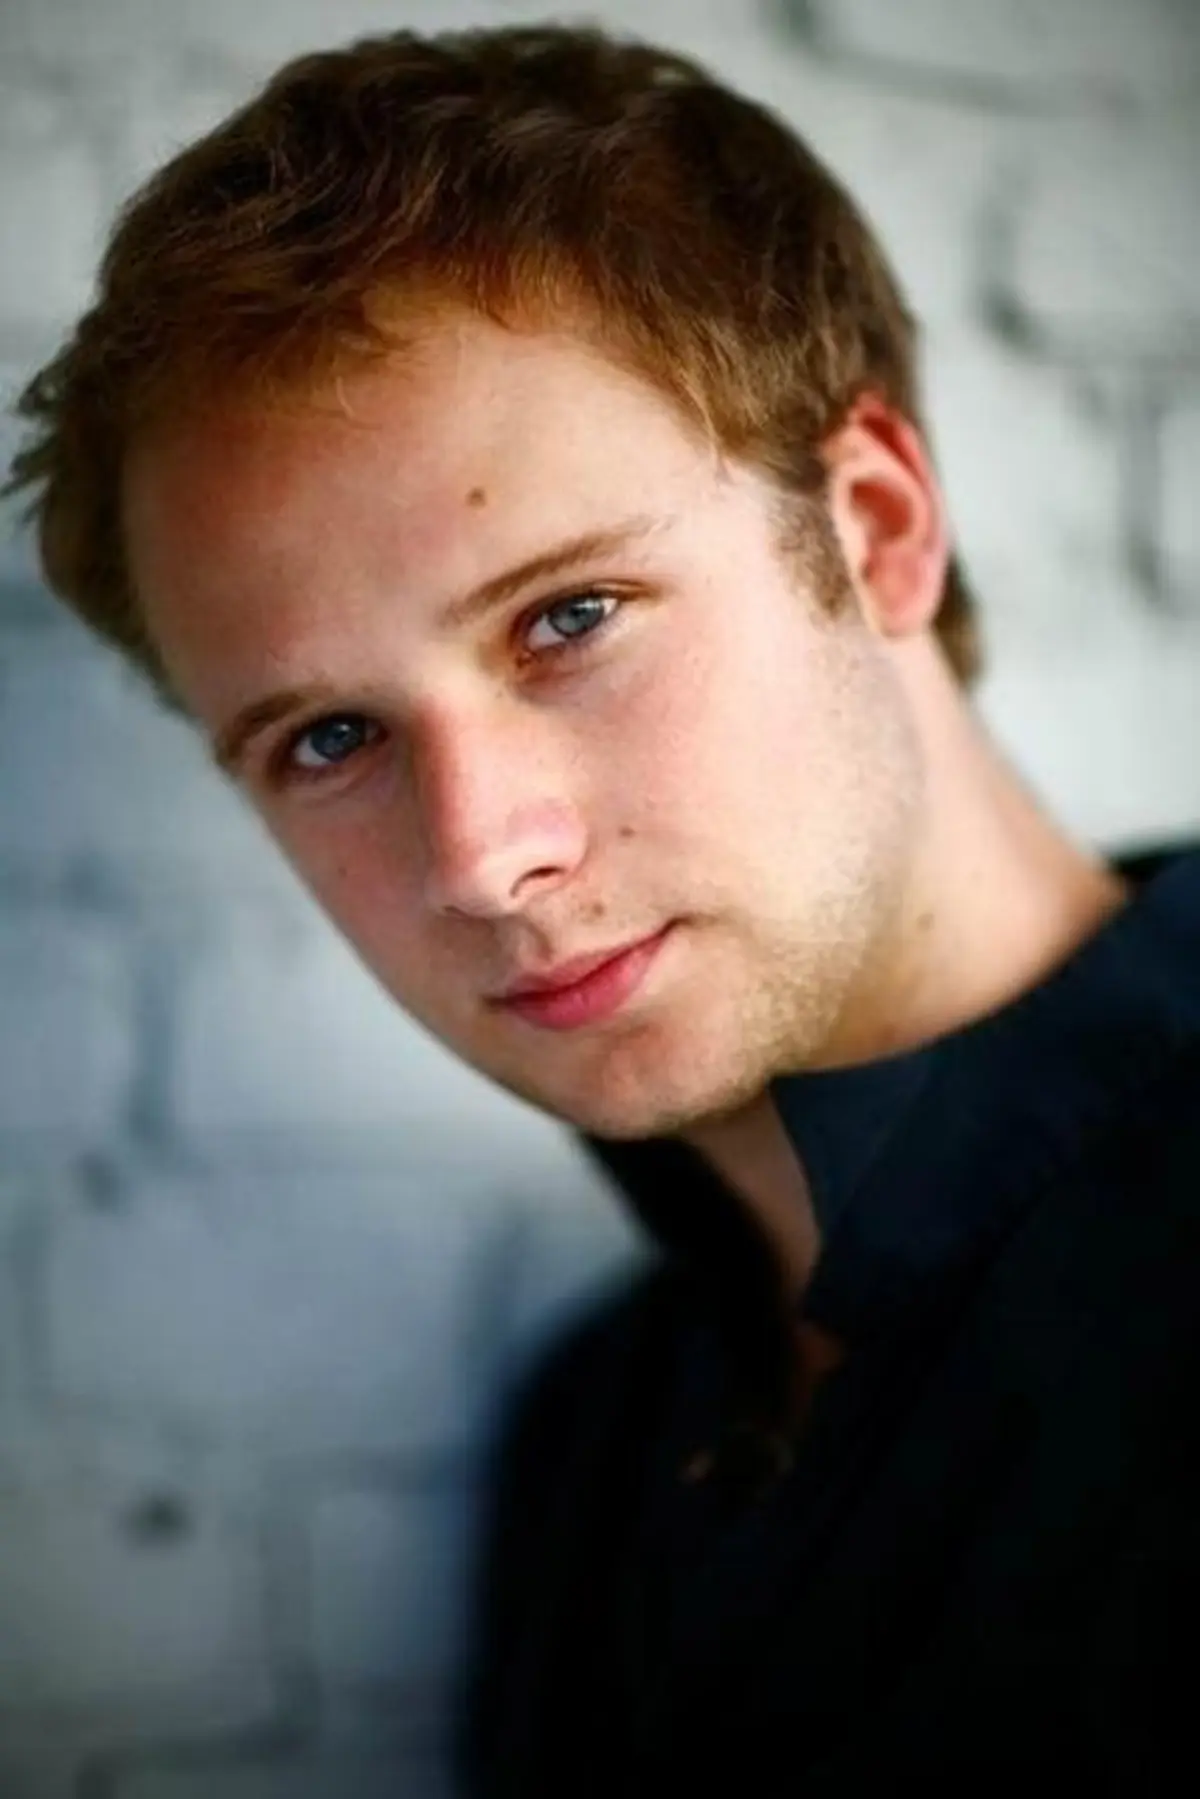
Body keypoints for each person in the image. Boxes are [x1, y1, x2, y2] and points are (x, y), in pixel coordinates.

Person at [6, 22, 1199, 1797]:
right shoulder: (593, 1441)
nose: (482, 858)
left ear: (876, 530)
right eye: (328, 738)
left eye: (568, 618)